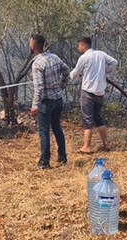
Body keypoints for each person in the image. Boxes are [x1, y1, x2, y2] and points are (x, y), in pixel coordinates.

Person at [29, 34, 70, 170]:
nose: (30, 46)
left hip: (46, 103)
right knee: (57, 128)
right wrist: (61, 86)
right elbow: (66, 71)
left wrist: (35, 106)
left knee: (44, 131)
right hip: (58, 100)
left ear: (34, 46)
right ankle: (62, 157)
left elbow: (39, 88)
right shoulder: (54, 57)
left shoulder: (37, 64)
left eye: (30, 43)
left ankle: (44, 163)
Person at [70, 36, 118, 153]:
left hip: (88, 92)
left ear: (83, 45)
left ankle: (87, 147)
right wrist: (104, 71)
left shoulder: (84, 57)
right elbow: (114, 62)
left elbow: (75, 73)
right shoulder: (101, 54)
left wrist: (67, 77)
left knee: (87, 119)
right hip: (100, 92)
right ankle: (106, 145)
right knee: (98, 118)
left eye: (79, 46)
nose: (78, 48)